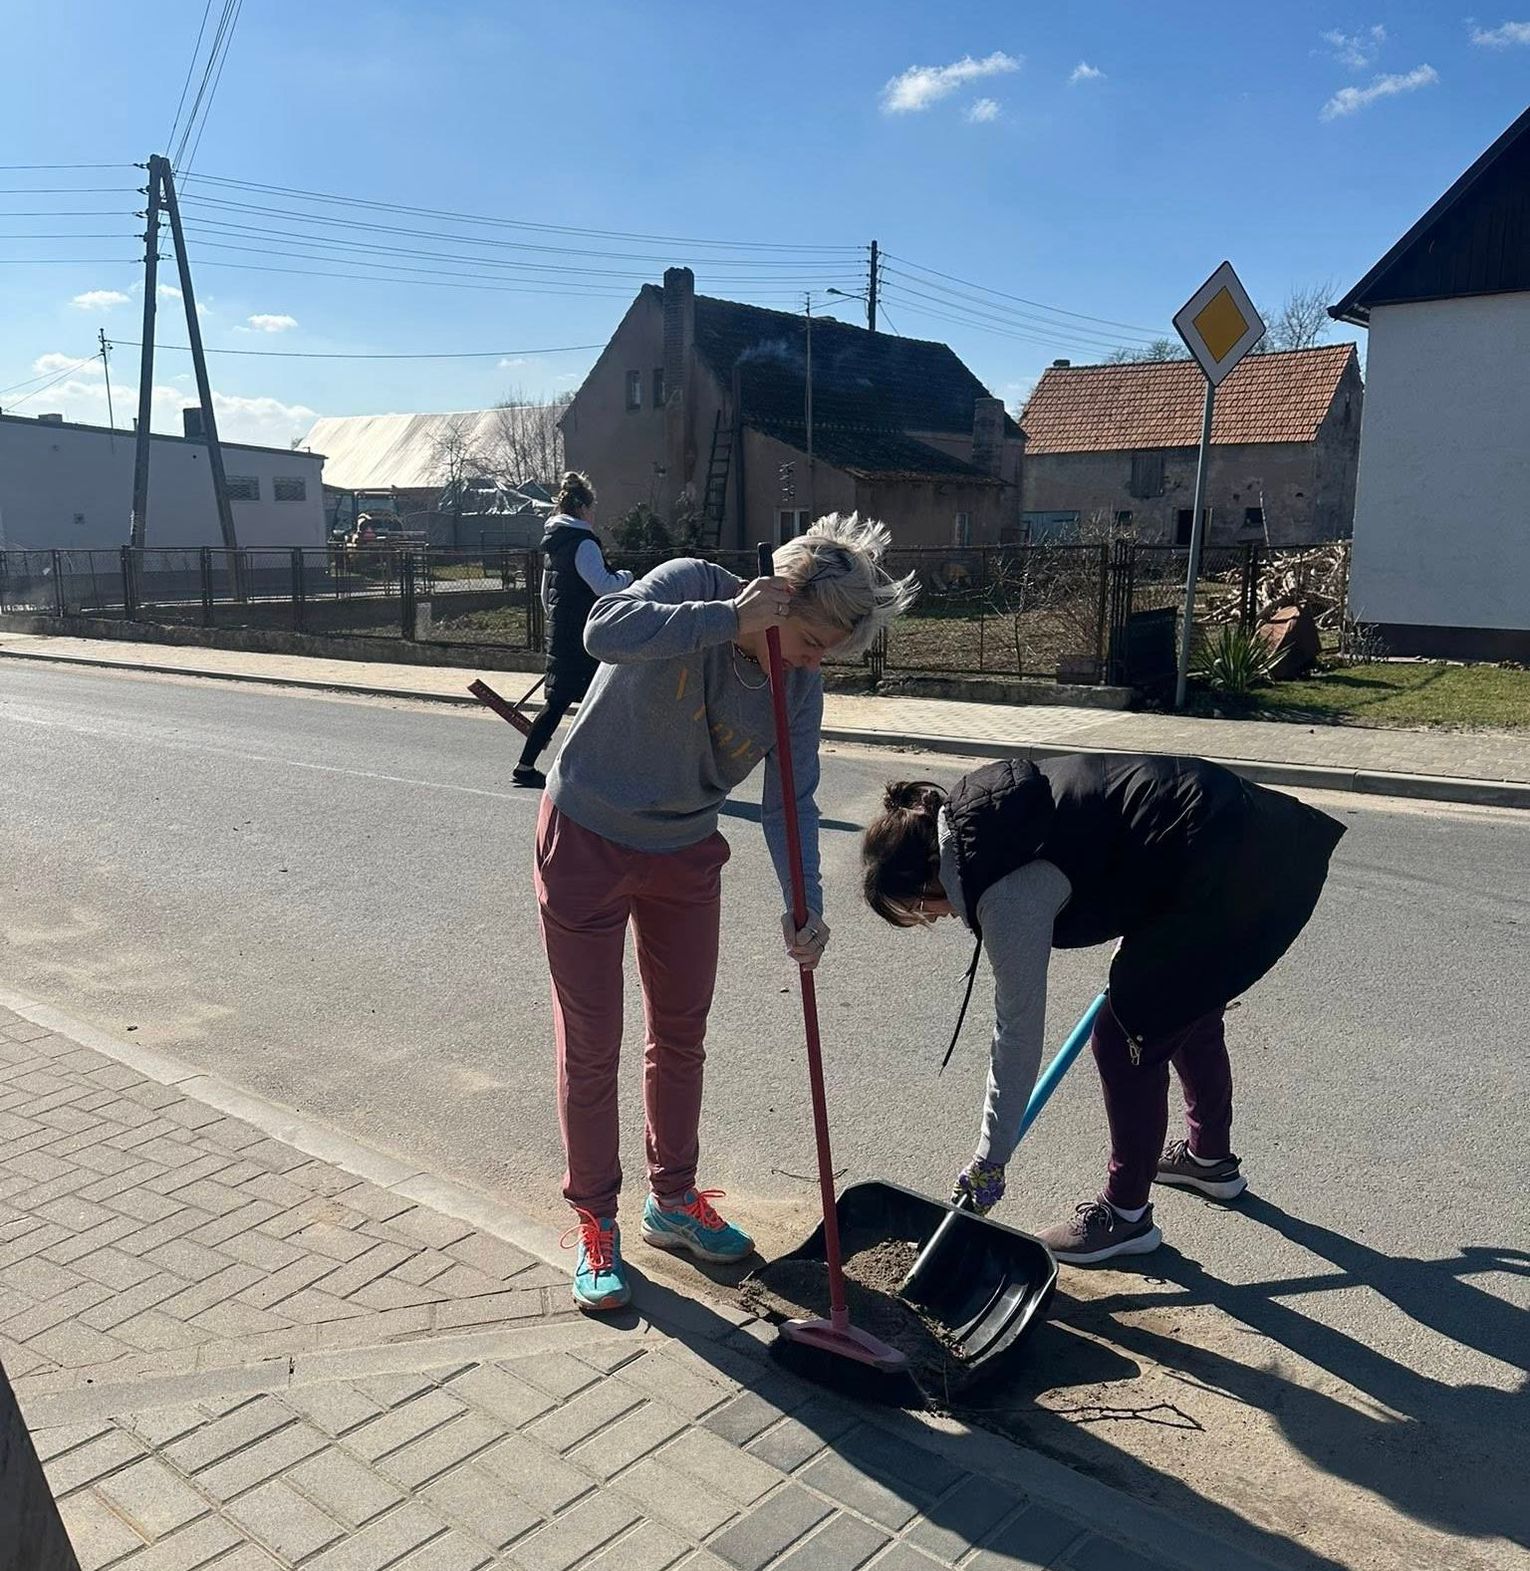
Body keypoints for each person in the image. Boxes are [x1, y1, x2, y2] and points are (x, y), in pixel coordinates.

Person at [536, 514, 916, 1310]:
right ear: (780, 596)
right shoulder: (694, 587)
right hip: (587, 835)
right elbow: (603, 629)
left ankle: (672, 1200)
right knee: (593, 1043)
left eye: (827, 653)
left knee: (681, 1035)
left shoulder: (798, 687)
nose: (815, 662)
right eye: (812, 641)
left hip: (683, 852)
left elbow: (791, 801)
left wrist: (803, 905)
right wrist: (728, 618)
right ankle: (595, 1219)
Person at [860, 753, 1345, 1265]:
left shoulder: (1004, 893)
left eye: (921, 910)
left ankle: (1125, 1215)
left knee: (1124, 1037)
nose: (936, 919)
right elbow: (1117, 835)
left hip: (1228, 864)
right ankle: (1207, 1157)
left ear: (928, 880)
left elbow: (1017, 1034)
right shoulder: (986, 816)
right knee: (1186, 1003)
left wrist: (989, 1160)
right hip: (1243, 834)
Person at [513, 471, 632, 789]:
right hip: (584, 637)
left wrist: (558, 624)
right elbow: (603, 586)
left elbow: (545, 594)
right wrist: (627, 577)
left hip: (562, 633)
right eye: (593, 508)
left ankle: (526, 766)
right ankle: (590, 771)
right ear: (582, 508)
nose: (594, 514)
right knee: (604, 701)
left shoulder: (555, 543)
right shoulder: (583, 543)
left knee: (558, 703)